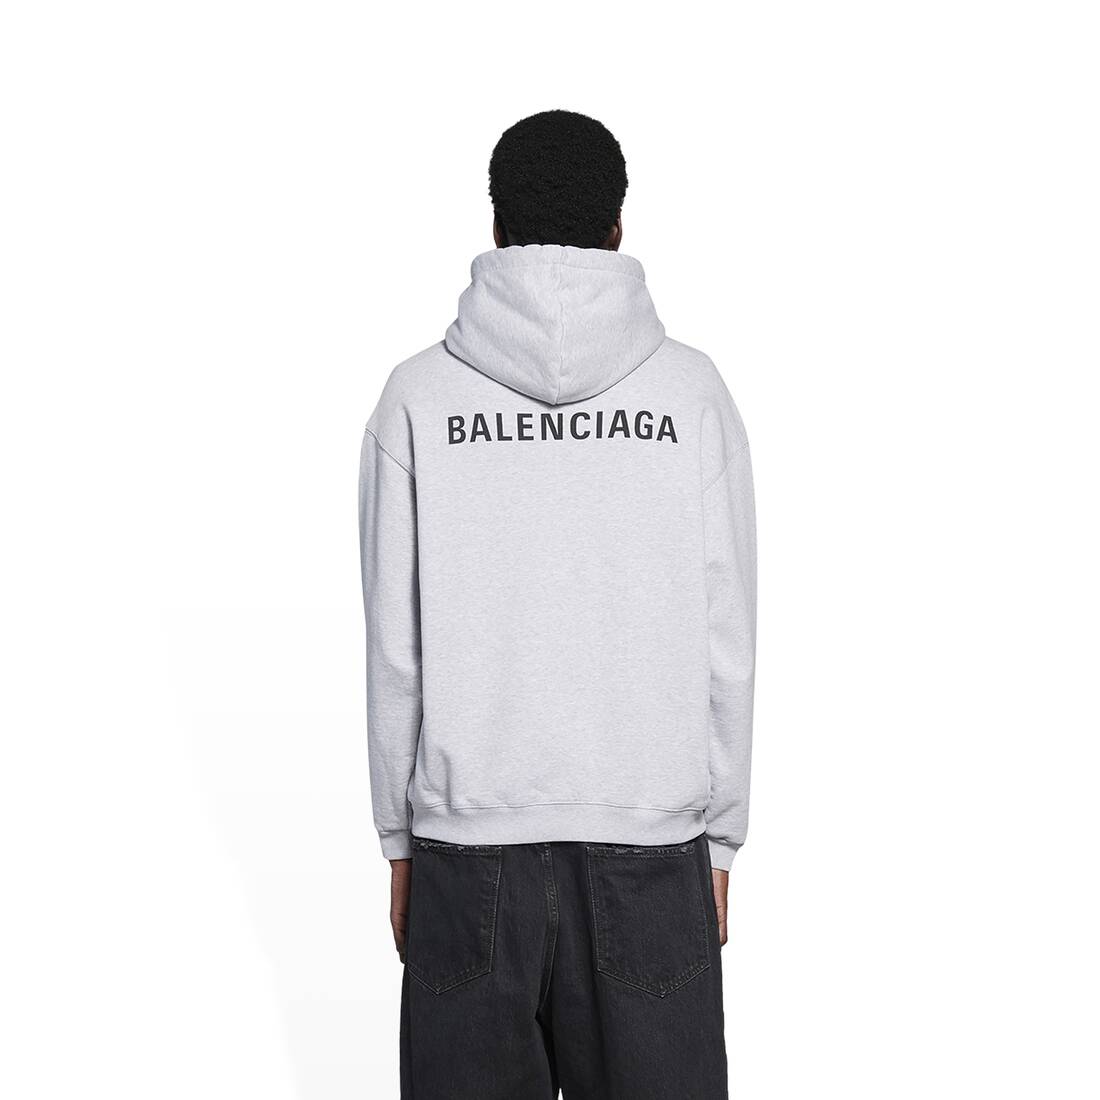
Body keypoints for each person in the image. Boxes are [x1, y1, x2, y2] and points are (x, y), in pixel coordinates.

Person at [359, 109, 756, 1099]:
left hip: (465, 856)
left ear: (497, 227)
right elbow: (726, 635)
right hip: (650, 852)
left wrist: (400, 841)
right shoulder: (690, 396)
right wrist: (720, 838)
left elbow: (395, 647)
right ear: (618, 228)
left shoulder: (417, 398)